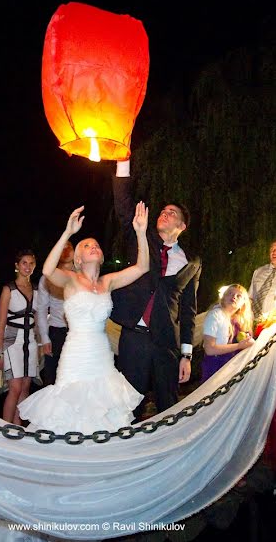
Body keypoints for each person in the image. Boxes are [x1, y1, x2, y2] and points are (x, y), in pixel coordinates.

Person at [18, 203, 148, 433]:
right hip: (76, 355)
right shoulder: (70, 279)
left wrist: (140, 232)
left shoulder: (107, 281)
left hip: (102, 355)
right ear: (78, 259)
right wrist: (68, 233)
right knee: (71, 415)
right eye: (86, 245)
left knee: (104, 413)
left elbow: (142, 267)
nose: (93, 247)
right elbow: (47, 271)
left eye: (96, 245)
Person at [111, 159, 201, 419]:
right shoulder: (142, 239)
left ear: (182, 226)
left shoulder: (191, 261)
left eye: (172, 213)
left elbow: (188, 310)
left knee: (168, 407)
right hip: (134, 337)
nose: (165, 213)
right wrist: (122, 162)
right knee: (130, 405)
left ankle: (170, 455)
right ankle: (128, 454)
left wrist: (186, 354)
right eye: (163, 211)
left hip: (166, 342)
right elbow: (124, 207)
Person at [0, 250, 38, 425]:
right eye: (24, 263)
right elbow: (1, 323)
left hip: (31, 342)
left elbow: (40, 317)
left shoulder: (37, 289)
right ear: (17, 266)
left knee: (25, 388)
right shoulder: (9, 289)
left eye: (31, 263)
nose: (27, 267)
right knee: (15, 388)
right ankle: (5, 429)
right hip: (13, 342)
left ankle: (18, 430)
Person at [35, 240, 73, 387]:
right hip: (56, 331)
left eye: (69, 248)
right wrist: (45, 338)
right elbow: (42, 309)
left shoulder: (82, 276)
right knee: (52, 380)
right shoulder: (47, 277)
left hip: (79, 332)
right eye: (62, 248)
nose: (66, 251)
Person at [200, 285, 256, 382]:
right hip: (215, 368)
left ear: (243, 303)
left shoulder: (238, 321)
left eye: (239, 296)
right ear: (223, 297)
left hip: (229, 369)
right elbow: (210, 349)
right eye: (230, 293)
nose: (234, 297)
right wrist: (239, 345)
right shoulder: (215, 315)